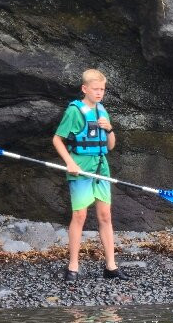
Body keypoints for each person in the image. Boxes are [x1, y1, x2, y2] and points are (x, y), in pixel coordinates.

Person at [52, 68, 129, 282]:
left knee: (105, 216)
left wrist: (110, 128)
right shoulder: (74, 112)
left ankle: (111, 267)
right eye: (95, 89)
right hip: (81, 168)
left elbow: (110, 146)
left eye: (102, 89)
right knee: (80, 216)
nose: (99, 93)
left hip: (101, 168)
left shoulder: (103, 112)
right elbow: (57, 139)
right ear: (84, 89)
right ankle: (73, 267)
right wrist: (69, 162)